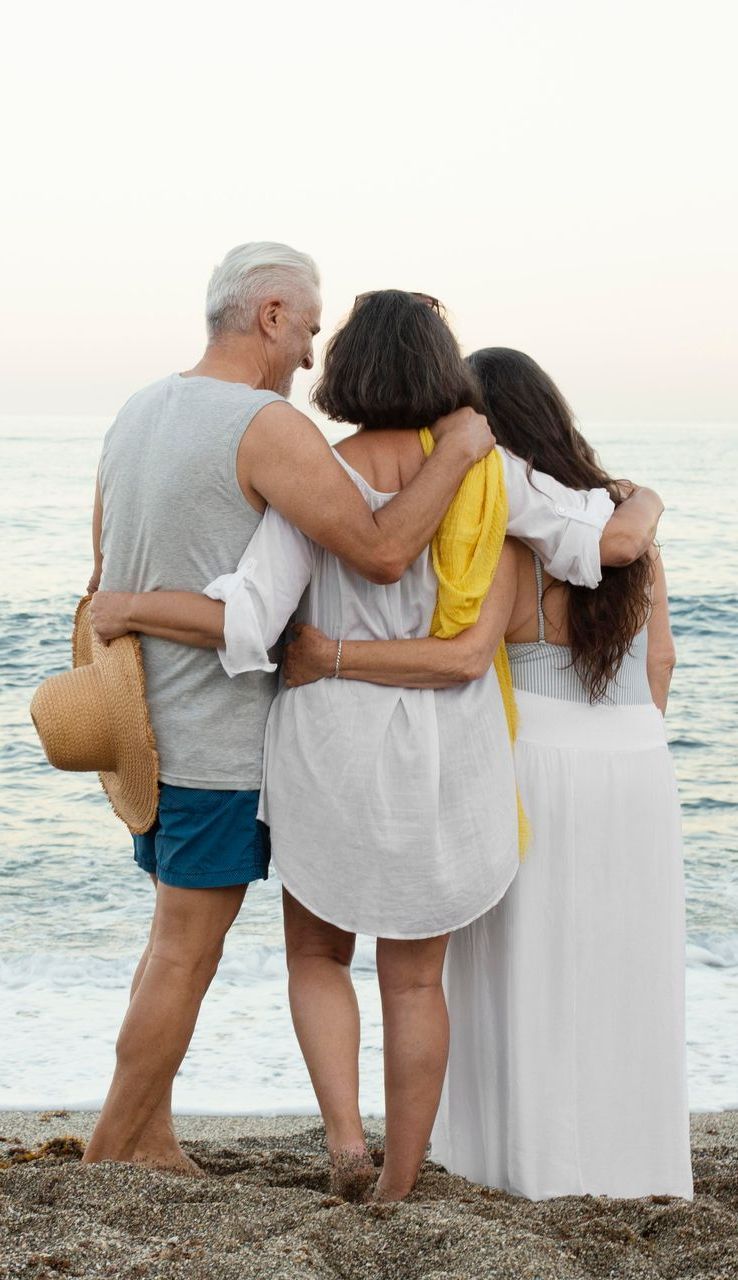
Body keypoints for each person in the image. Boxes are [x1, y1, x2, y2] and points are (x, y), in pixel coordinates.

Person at [91, 298, 664, 1198]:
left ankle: (346, 1144)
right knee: (414, 982)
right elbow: (613, 542)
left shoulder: (320, 479)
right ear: (445, 374)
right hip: (444, 752)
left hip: (326, 744)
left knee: (317, 958)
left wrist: (130, 605)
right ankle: (399, 1183)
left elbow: (247, 621)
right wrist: (645, 495)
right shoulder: (490, 474)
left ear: (346, 371)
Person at [82, 247, 497, 1174]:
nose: (311, 358)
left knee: (169, 944)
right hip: (216, 738)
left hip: (139, 732)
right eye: (308, 330)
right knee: (185, 954)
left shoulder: (135, 412)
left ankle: (150, 1137)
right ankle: (114, 1149)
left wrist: (132, 618)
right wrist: (465, 448)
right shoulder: (266, 425)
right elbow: (382, 551)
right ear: (271, 314)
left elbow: (102, 568)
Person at [283, 347, 691, 1200]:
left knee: (517, 974)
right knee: (626, 970)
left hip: (536, 758)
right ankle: (635, 1162)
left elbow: (466, 654)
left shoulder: (503, 525)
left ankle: (523, 1161)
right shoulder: (625, 520)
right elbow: (660, 665)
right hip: (637, 763)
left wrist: (333, 657)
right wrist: (646, 495)